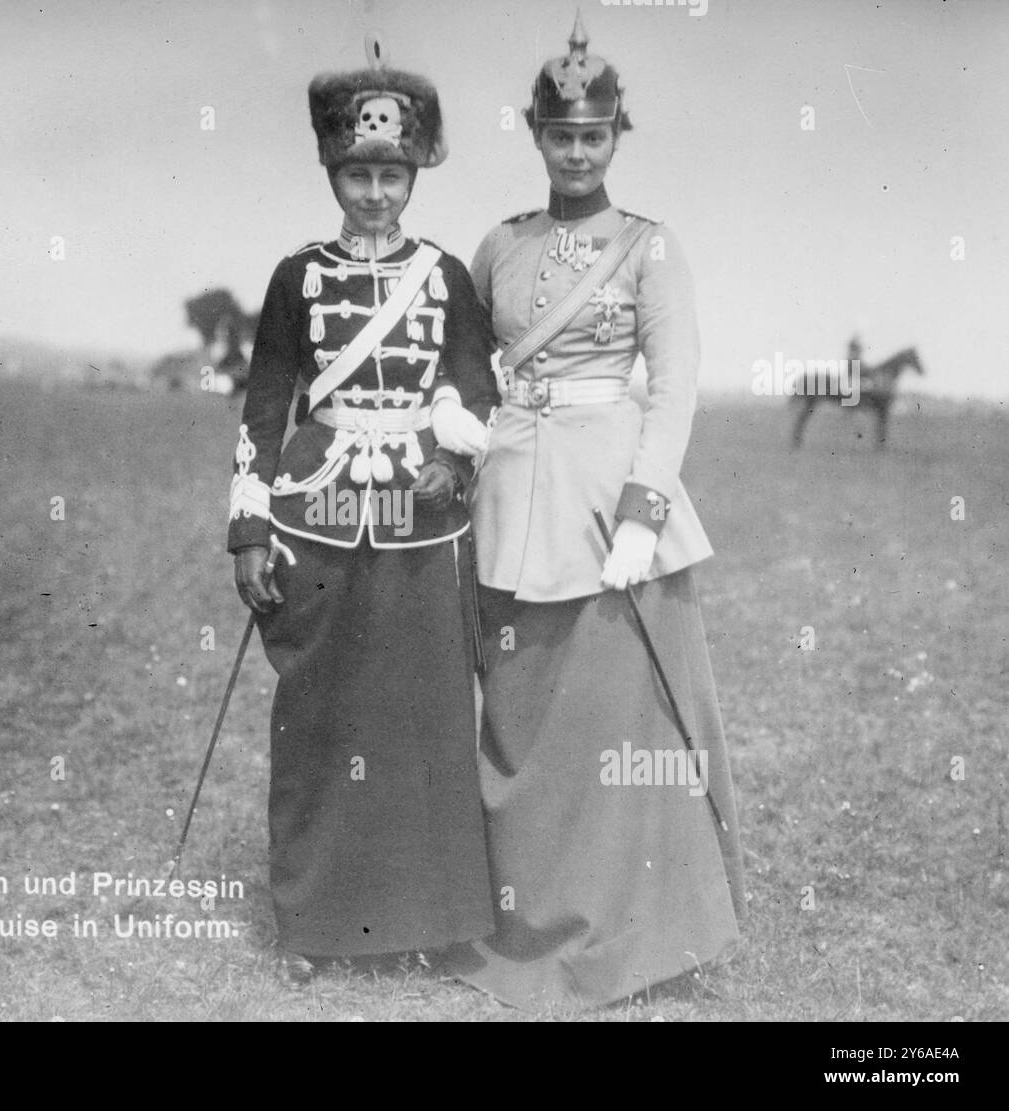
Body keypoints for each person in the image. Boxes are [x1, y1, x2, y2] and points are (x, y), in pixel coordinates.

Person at [448, 13, 746, 1011]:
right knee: (522, 720)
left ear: (618, 136)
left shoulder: (651, 248)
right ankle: (519, 916)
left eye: (596, 134)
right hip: (512, 496)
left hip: (612, 501)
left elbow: (673, 388)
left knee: (617, 730)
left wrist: (639, 513)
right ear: (535, 134)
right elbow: (466, 367)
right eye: (560, 133)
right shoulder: (499, 244)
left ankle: (634, 935)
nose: (577, 151)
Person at [227, 40, 497, 978]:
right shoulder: (296, 277)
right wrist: (249, 528)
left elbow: (478, 391)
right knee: (321, 715)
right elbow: (266, 407)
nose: (375, 192)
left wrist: (455, 470)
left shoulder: (447, 276)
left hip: (425, 522)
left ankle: (433, 917)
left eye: (391, 173)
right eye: (357, 173)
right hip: (317, 514)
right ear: (332, 170)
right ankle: (315, 924)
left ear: (414, 174)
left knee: (426, 716)